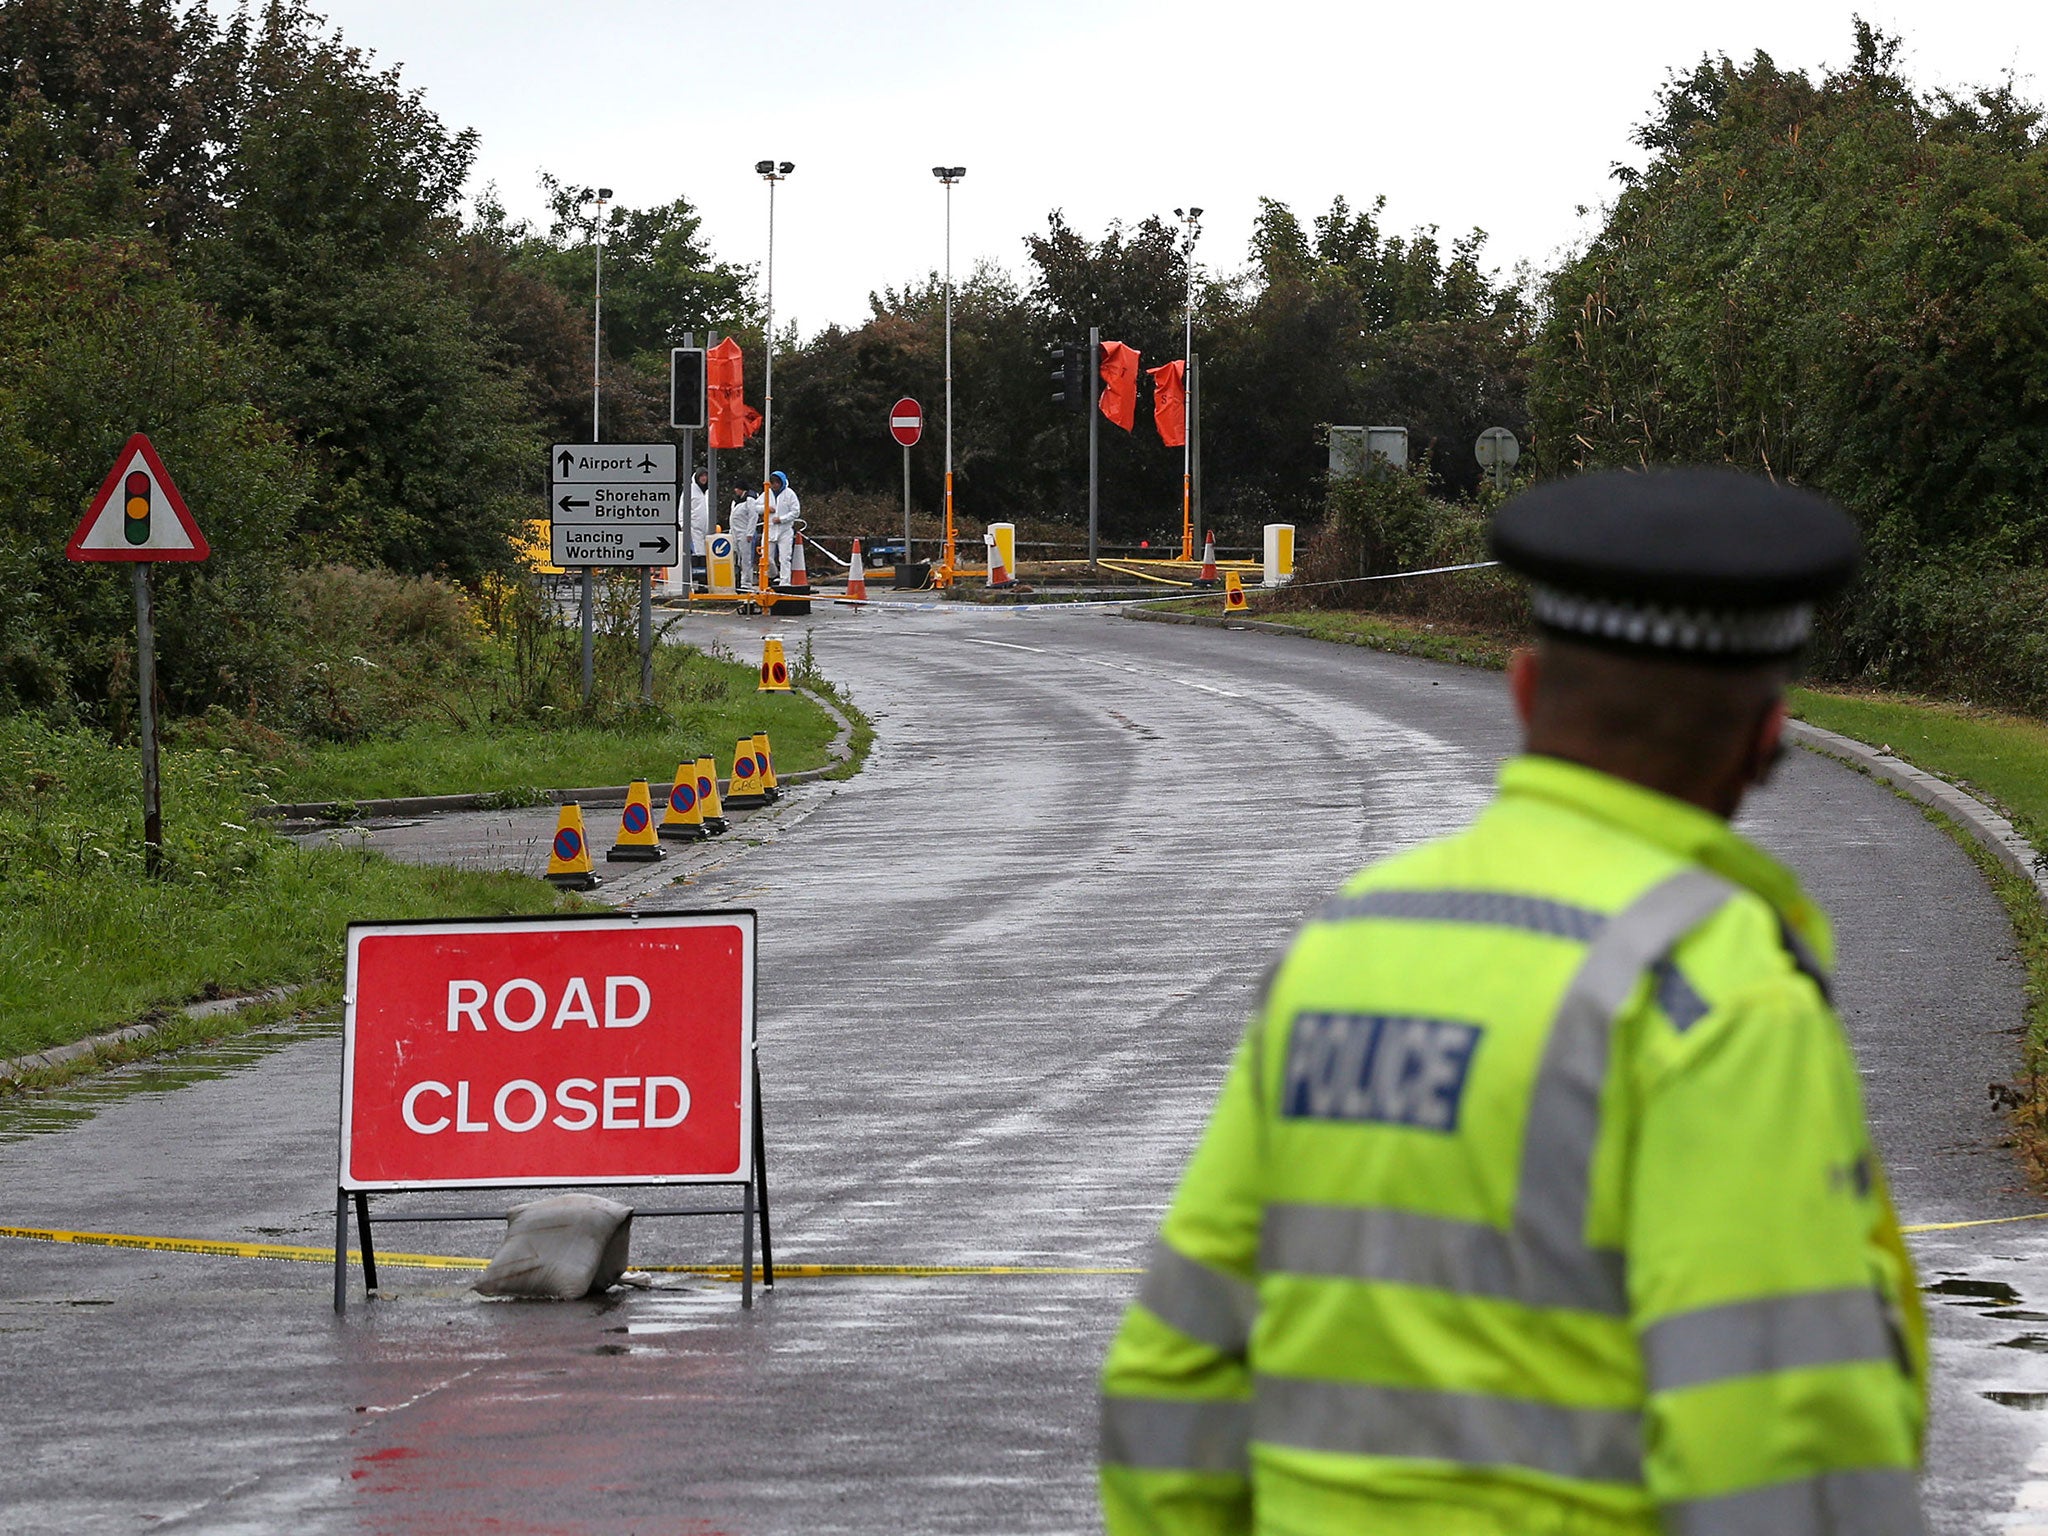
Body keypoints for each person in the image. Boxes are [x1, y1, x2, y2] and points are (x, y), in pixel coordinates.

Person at [1099, 466, 1928, 1536]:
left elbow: (1172, 1374)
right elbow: (1779, 1451)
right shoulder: (1712, 996)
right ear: (1763, 745)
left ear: (1524, 690)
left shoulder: (1345, 948)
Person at [767, 470, 800, 585]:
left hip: (785, 531)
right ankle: (772, 575)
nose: (774, 485)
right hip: (769, 530)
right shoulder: (767, 493)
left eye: (777, 482)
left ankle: (785, 582)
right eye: (772, 482)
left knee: (785, 558)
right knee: (766, 558)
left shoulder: (789, 494)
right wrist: (766, 508)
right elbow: (756, 506)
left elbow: (796, 511)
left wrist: (782, 519)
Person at [728, 486, 762, 592]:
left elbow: (753, 516)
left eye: (737, 488)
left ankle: (746, 582)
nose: (735, 490)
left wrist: (750, 532)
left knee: (746, 558)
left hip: (744, 533)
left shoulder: (750, 500)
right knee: (737, 558)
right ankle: (737, 580)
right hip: (735, 533)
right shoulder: (735, 501)